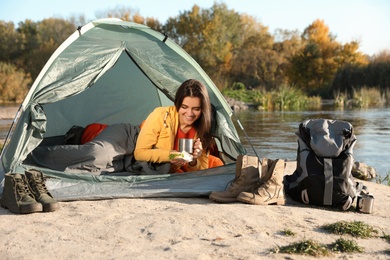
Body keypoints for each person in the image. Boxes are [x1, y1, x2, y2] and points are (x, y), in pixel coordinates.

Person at [134, 79, 217, 173]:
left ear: (203, 109)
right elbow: (139, 153)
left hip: (168, 172)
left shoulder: (203, 128)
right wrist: (171, 155)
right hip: (135, 144)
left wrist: (194, 160)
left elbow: (202, 170)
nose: (189, 114)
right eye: (184, 107)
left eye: (196, 109)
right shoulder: (161, 115)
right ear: (177, 104)